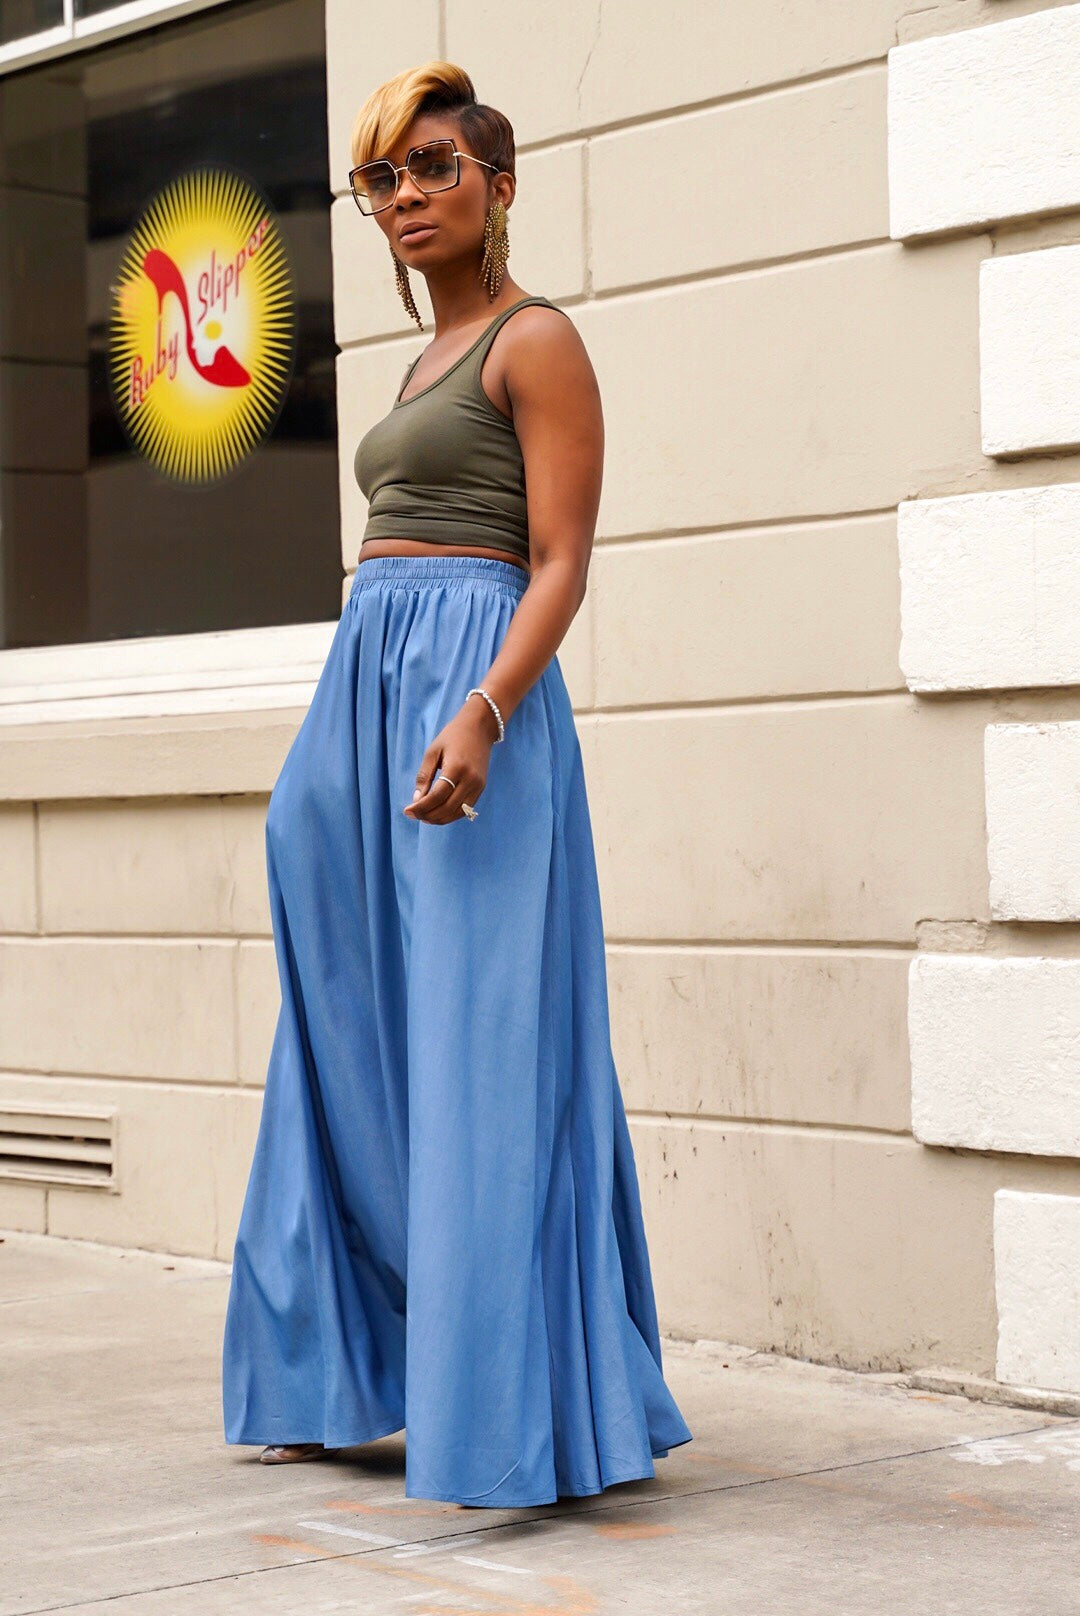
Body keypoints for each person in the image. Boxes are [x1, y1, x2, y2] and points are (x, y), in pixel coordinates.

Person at [221, 58, 693, 1510]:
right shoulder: (419, 361)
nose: (406, 195)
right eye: (382, 176)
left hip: (471, 699)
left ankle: (508, 1409)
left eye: (434, 166)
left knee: (481, 1052)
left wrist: (486, 708)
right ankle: (336, 1374)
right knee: (346, 1045)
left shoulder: (535, 340)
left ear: (499, 180)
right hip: (366, 691)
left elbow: (560, 561)